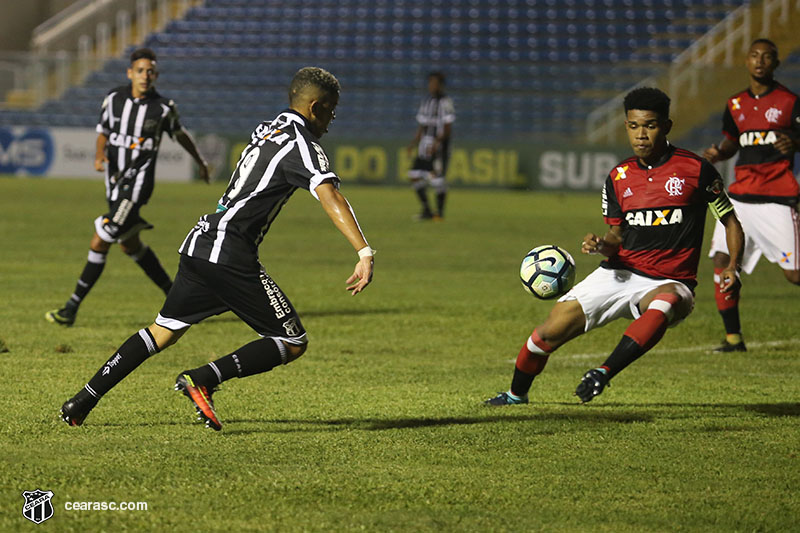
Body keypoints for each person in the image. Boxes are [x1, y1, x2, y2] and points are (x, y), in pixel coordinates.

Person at [59, 66, 374, 431]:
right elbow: (330, 195)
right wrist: (364, 252)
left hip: (200, 243)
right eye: (331, 111)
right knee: (291, 340)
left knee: (162, 331)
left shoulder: (267, 129)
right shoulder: (302, 145)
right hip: (230, 253)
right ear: (315, 106)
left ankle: (81, 401)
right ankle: (204, 378)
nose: (332, 119)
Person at [485, 87, 744, 406]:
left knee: (665, 302)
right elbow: (616, 238)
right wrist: (600, 246)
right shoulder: (618, 177)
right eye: (633, 126)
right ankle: (515, 395)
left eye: (649, 125)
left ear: (666, 126)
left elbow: (730, 221)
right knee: (547, 334)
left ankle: (603, 372)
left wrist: (733, 266)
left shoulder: (696, 170)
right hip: (619, 271)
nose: (641, 135)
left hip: (670, 281)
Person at [46, 47, 210, 327]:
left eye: (150, 71)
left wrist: (200, 161)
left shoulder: (163, 108)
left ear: (155, 75)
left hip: (136, 189)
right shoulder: (113, 99)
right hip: (114, 185)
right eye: (140, 71)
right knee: (130, 245)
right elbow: (103, 133)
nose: (145, 76)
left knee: (101, 239)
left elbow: (180, 134)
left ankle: (71, 308)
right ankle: (177, 297)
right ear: (130, 73)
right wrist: (100, 155)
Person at [703, 38, 800, 352]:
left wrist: (795, 144)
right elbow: (734, 141)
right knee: (722, 261)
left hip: (777, 198)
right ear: (746, 61)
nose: (760, 61)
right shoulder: (735, 104)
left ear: (775, 63)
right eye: (754, 56)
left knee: (794, 275)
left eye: (767, 56)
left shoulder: (790, 102)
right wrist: (719, 152)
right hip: (740, 198)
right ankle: (733, 339)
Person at [407, 71, 455, 220]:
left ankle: (439, 213)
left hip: (438, 147)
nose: (431, 86)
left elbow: (447, 128)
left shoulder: (445, 102)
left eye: (434, 83)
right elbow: (422, 126)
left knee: (436, 179)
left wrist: (437, 143)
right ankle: (427, 210)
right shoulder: (426, 101)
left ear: (440, 85)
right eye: (430, 83)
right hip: (424, 146)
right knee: (414, 175)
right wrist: (413, 143)